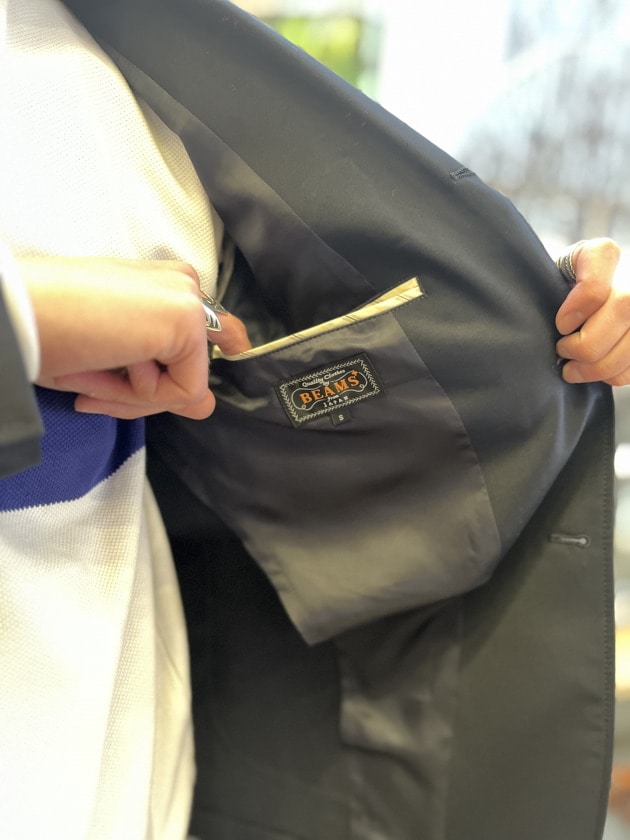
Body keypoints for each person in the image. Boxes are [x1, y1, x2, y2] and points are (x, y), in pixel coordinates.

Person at [0, 1, 626, 840]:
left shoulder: (125, 58)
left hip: (148, 768)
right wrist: (28, 318)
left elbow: (285, 327)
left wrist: (527, 311)